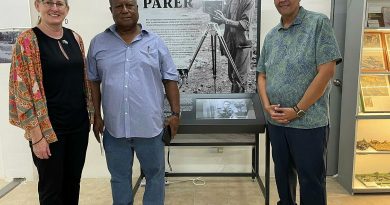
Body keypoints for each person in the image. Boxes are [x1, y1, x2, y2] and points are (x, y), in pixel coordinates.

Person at [87, 0, 180, 204]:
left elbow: (170, 79)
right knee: (119, 179)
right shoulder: (98, 43)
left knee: (155, 179)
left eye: (130, 5)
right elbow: (93, 81)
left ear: (137, 9)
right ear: (111, 10)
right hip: (114, 129)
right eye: (119, 6)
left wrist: (175, 114)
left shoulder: (156, 43)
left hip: (150, 128)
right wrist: (96, 116)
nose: (125, 10)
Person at [8, 0, 95, 204]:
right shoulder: (27, 40)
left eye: (59, 3)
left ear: (67, 9)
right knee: (51, 189)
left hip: (78, 126)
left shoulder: (75, 38)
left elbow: (83, 81)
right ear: (38, 5)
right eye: (49, 2)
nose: (54, 8)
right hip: (48, 130)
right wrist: (37, 136)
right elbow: (22, 91)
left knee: (73, 184)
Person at [256, 0, 342, 205]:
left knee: (311, 180)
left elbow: (327, 71)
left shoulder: (318, 23)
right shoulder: (271, 35)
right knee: (283, 177)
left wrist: (297, 110)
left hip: (309, 123)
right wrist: (267, 106)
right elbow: (261, 75)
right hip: (277, 124)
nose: (282, 0)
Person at [212, 0, 255, 93]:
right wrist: (212, 13)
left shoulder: (249, 1)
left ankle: (238, 103)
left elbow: (245, 24)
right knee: (232, 76)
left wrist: (225, 20)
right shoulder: (230, 1)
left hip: (243, 45)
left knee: (239, 78)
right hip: (231, 43)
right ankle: (236, 101)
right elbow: (221, 19)